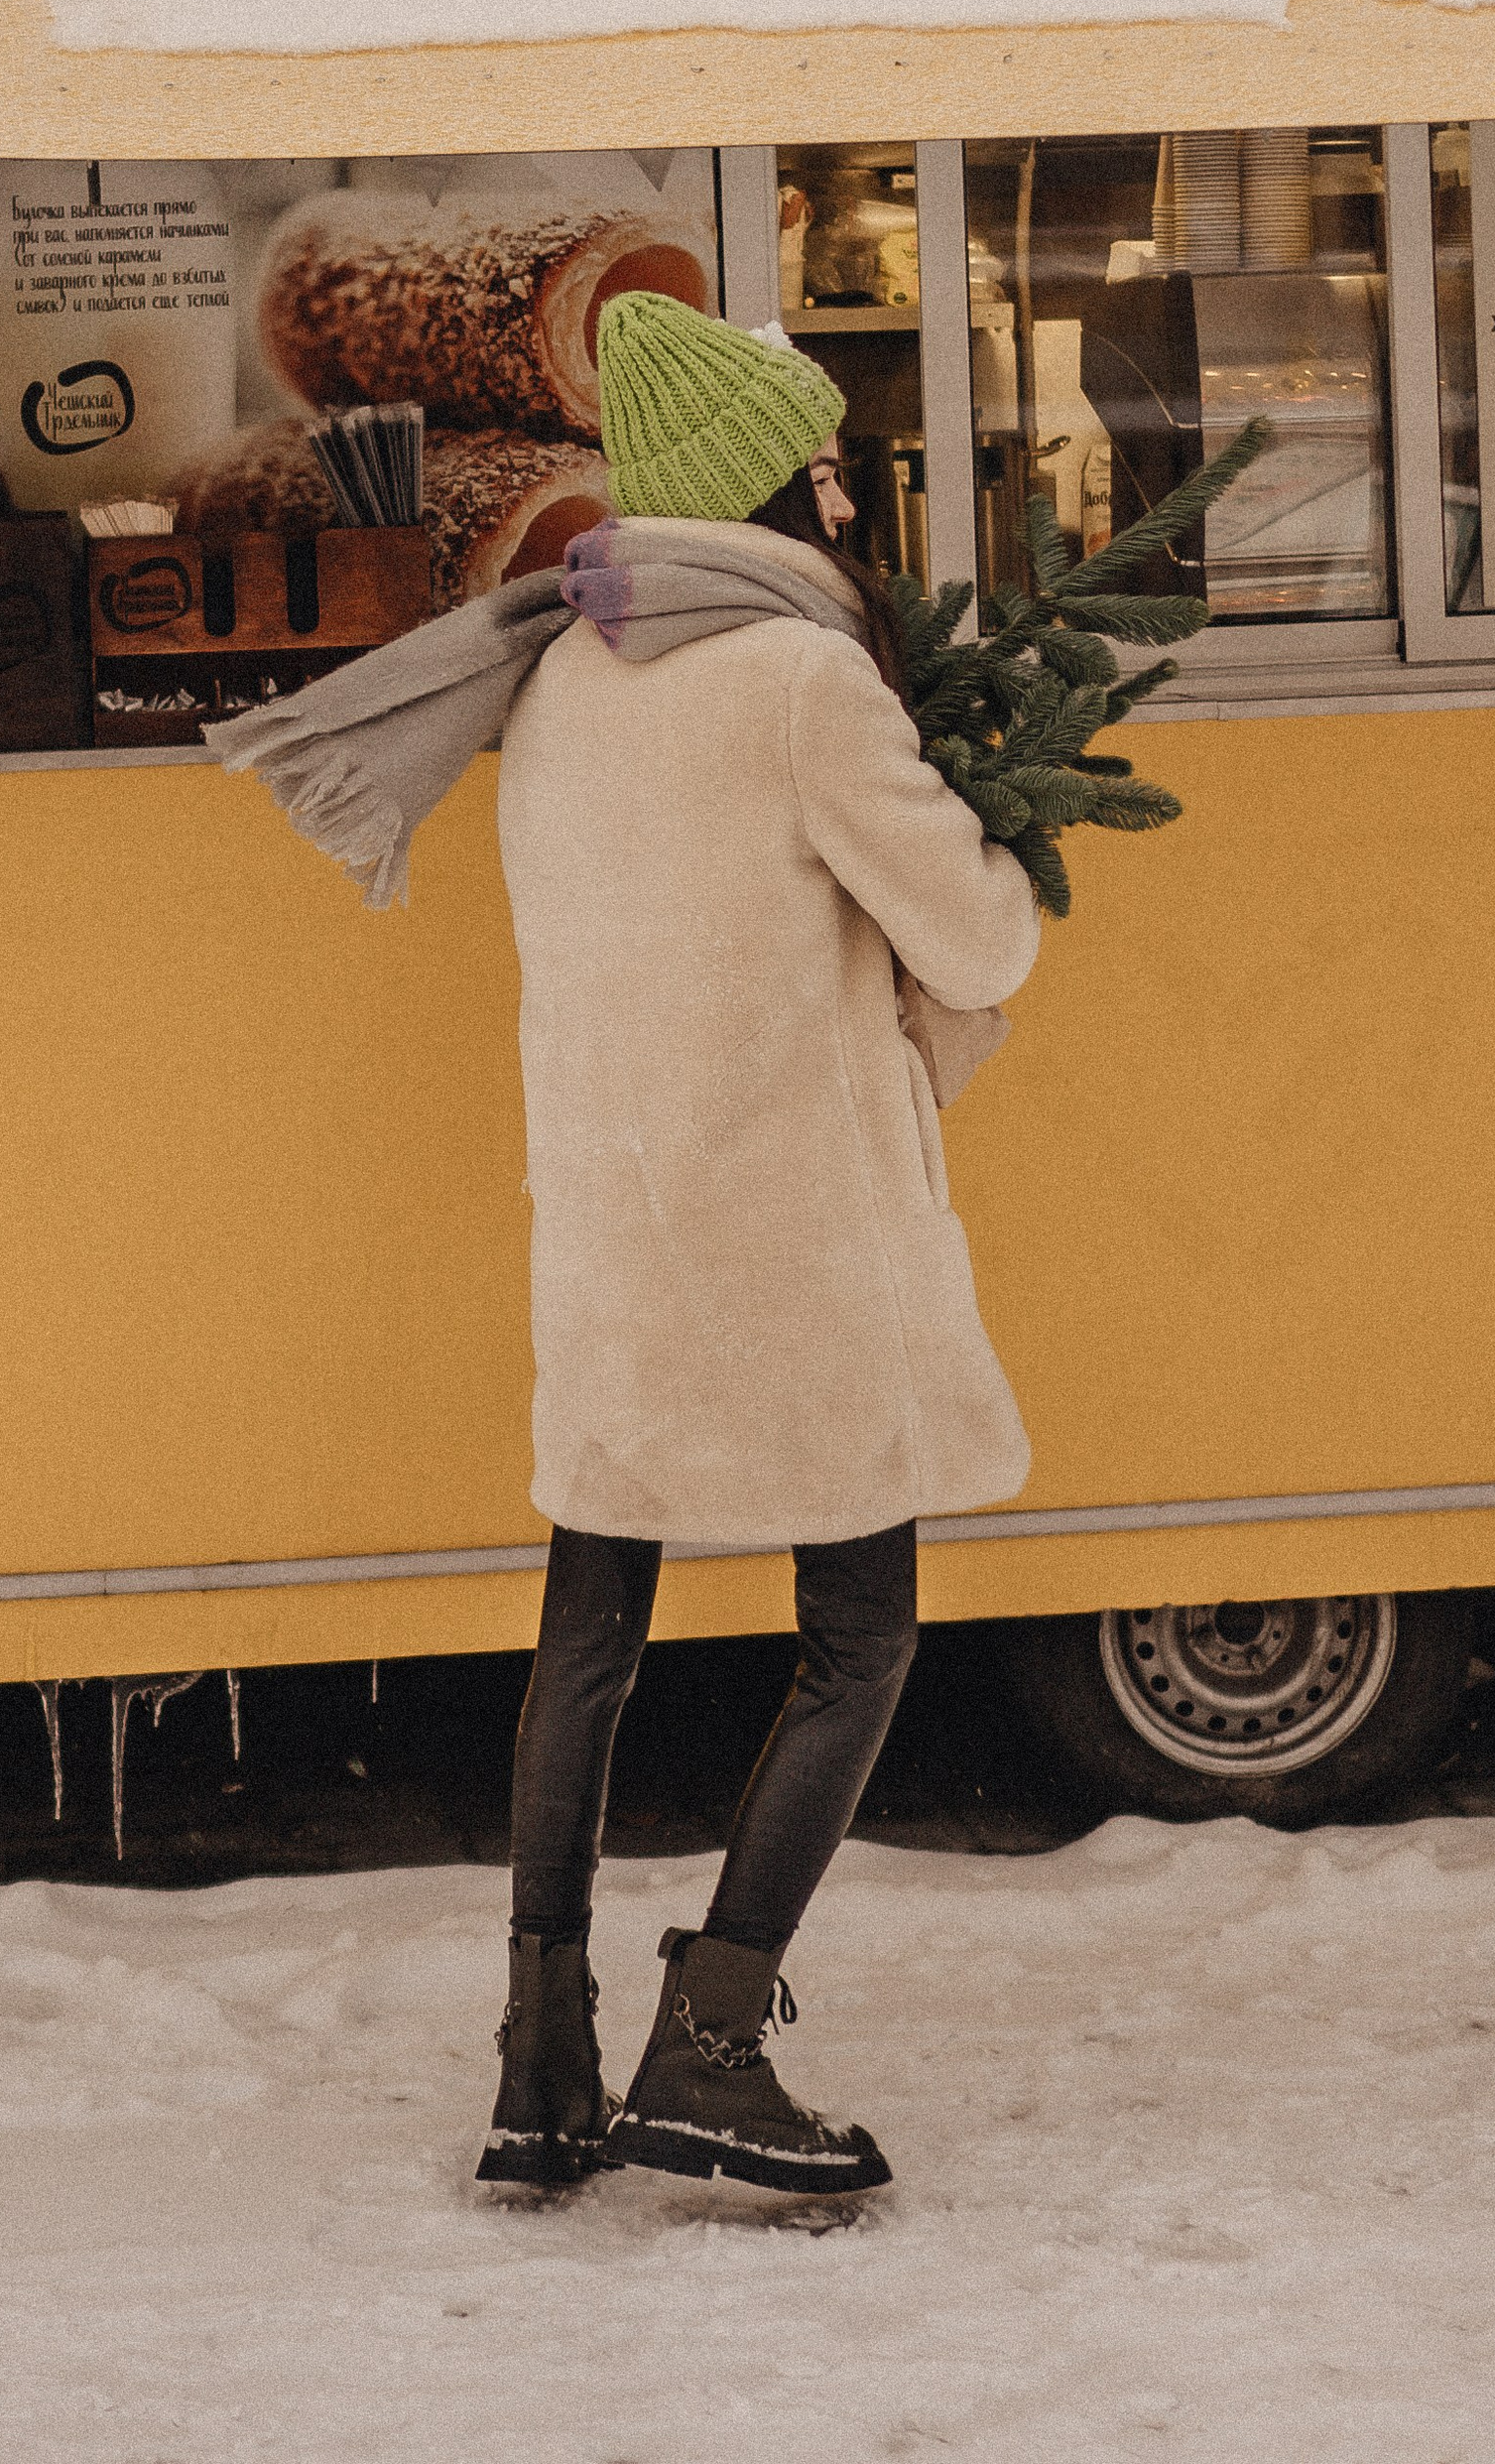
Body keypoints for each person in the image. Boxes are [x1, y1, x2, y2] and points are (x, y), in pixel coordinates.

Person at [479, 294, 1041, 2198]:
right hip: (794, 1235)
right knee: (861, 1635)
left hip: (616, 1225)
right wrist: (995, 860)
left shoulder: (560, 675)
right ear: (771, 486)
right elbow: (972, 937)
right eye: (820, 460)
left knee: (592, 1628)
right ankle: (711, 2044)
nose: (839, 490)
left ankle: (537, 2057)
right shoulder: (803, 684)